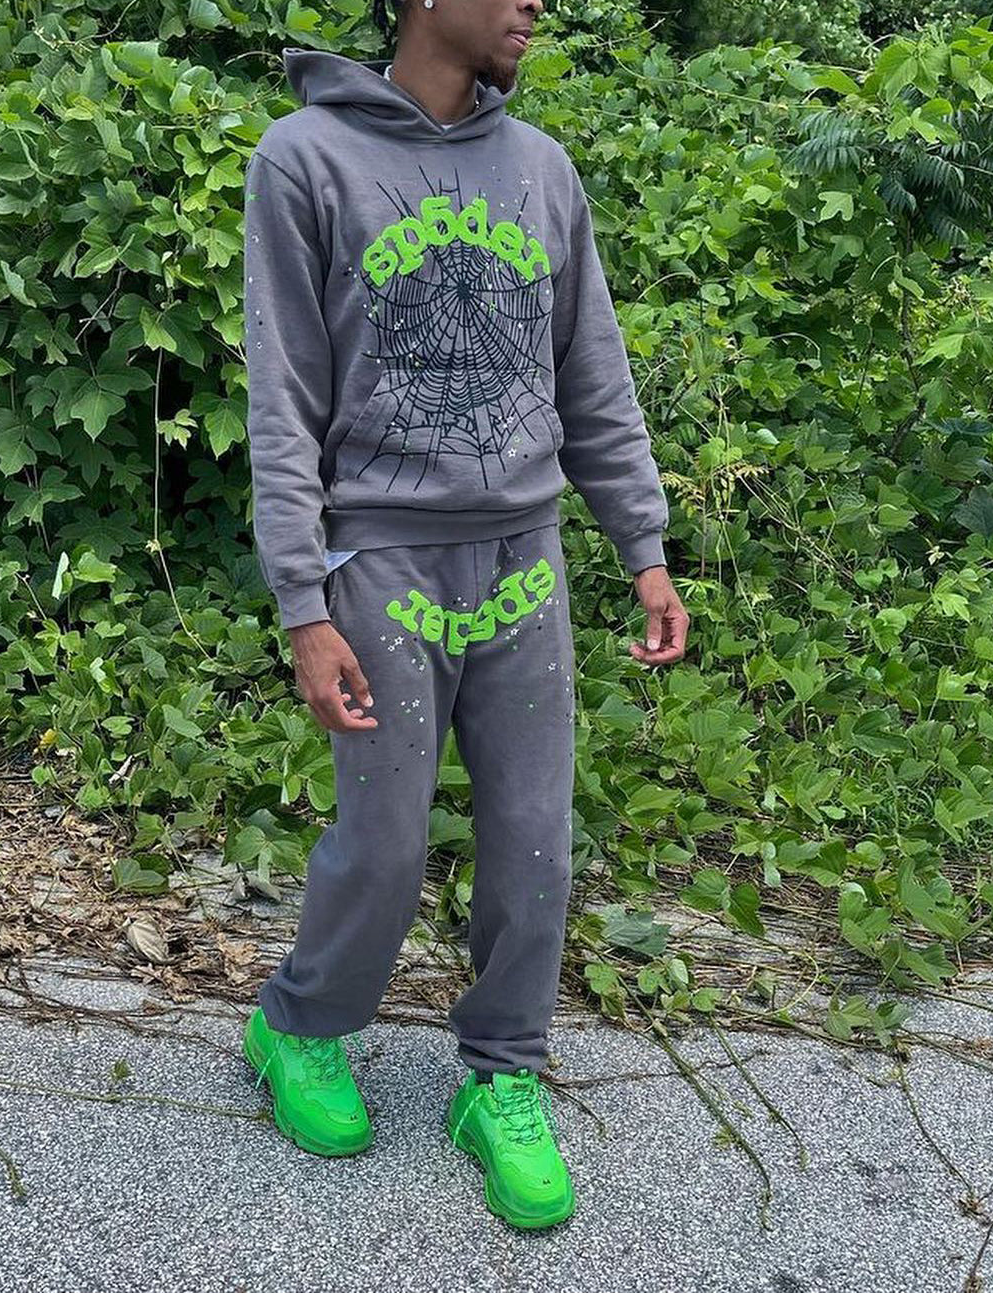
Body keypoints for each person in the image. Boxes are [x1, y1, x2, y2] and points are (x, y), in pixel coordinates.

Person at [240, 0, 689, 1230]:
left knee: (536, 840)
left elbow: (592, 372)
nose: (535, 4)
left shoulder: (540, 169)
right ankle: (300, 1025)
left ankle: (502, 1074)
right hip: (381, 559)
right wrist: (304, 603)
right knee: (385, 840)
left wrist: (643, 547)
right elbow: (283, 396)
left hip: (523, 557)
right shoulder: (305, 159)